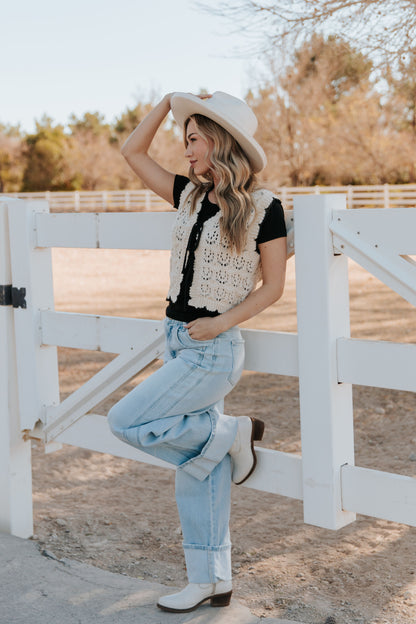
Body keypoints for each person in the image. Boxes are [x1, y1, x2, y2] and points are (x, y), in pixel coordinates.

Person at [107, 91, 287, 613]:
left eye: (192, 139)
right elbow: (132, 152)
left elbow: (272, 287)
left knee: (124, 420)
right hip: (175, 342)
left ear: (219, 140)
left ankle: (234, 434)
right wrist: (169, 105)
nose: (185, 151)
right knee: (199, 469)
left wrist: (219, 323)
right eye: (184, 141)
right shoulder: (188, 194)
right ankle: (211, 579)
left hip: (212, 351)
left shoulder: (265, 208)